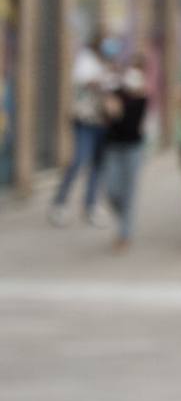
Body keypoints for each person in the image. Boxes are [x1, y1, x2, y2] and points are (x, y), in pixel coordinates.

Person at [49, 33, 117, 227]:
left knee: (98, 165)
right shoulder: (86, 60)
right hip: (84, 121)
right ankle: (59, 204)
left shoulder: (108, 63)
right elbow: (88, 82)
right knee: (78, 160)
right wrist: (105, 79)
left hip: (102, 123)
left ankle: (90, 206)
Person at [101, 54, 149, 252]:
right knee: (111, 190)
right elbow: (108, 114)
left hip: (133, 148)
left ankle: (124, 234)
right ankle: (123, 221)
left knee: (129, 192)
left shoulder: (141, 98)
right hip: (113, 146)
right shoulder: (116, 92)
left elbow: (128, 118)